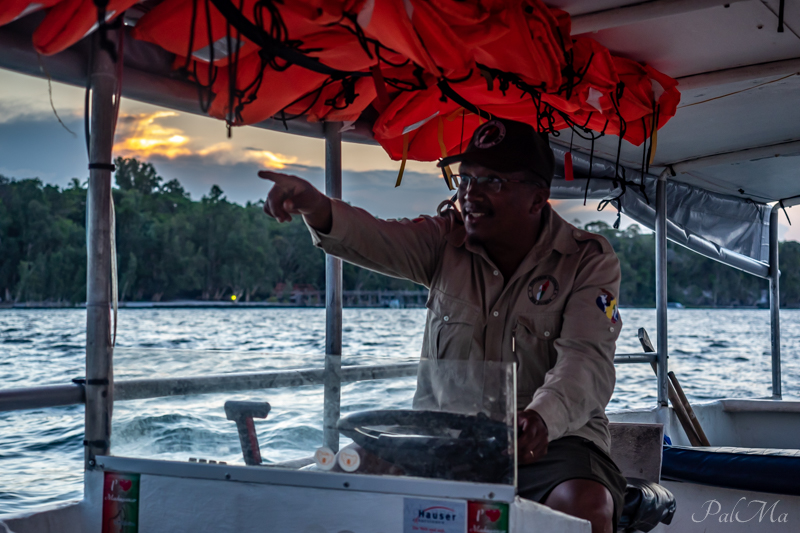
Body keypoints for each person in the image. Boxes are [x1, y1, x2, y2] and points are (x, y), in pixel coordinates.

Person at [260, 118, 626, 533]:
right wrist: (316, 206)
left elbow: (585, 361)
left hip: (550, 443)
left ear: (537, 198)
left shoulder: (587, 260)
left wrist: (542, 418)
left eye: (492, 181)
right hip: (446, 439)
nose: (470, 194)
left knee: (584, 506)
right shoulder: (442, 241)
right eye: (464, 178)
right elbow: (373, 237)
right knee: (343, 479)